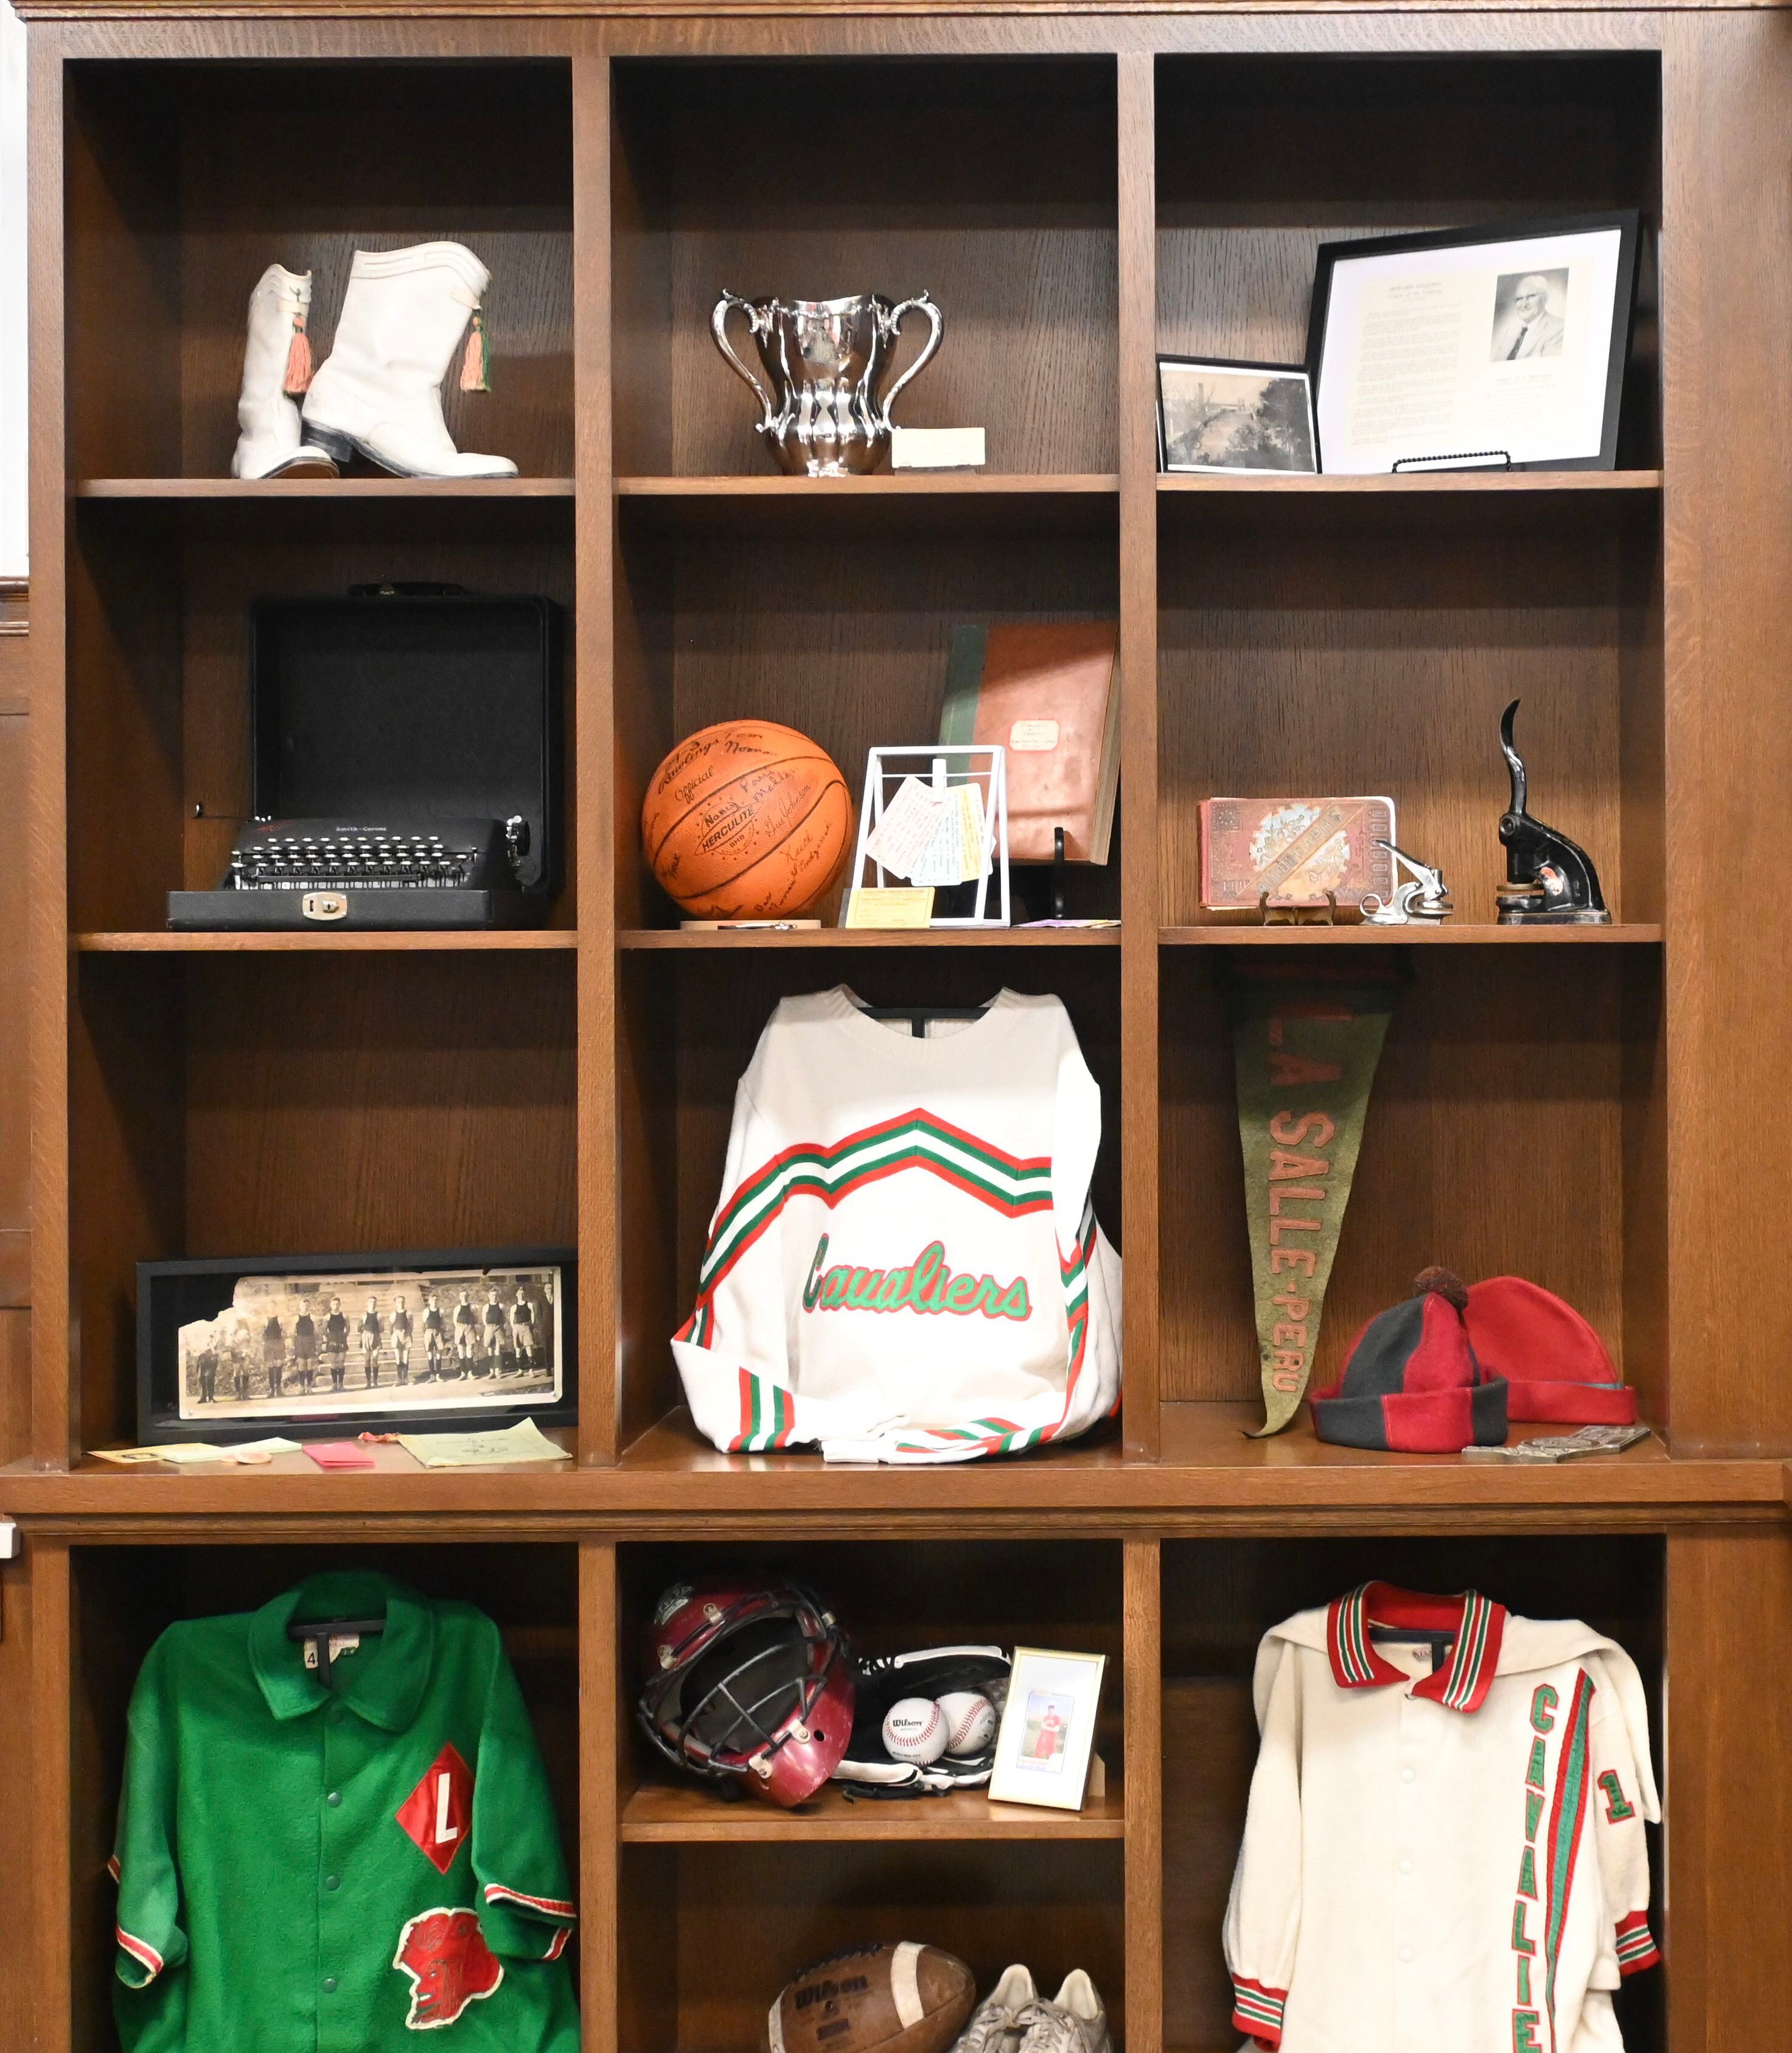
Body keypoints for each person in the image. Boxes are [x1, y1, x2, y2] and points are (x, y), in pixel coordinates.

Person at [1491, 273, 1565, 360]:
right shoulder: (1511, 331)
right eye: (1519, 299)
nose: (1524, 304)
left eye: (1531, 296)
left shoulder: (1559, 328)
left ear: (1545, 298)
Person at [323, 1296, 349, 1393]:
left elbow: (348, 1328)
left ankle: (341, 1384)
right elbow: (324, 1330)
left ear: (340, 1304)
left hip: (341, 1339)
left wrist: (344, 1337)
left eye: (337, 1304)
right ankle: (334, 1384)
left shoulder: (344, 1316)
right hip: (332, 1340)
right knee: (333, 1363)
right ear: (331, 1305)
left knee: (341, 1362)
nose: (336, 1306)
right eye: (334, 1304)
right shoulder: (327, 1317)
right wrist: (330, 1338)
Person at [510, 1286, 536, 1375]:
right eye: (519, 1294)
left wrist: (531, 1325)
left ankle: (531, 1370)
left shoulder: (529, 1305)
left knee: (529, 1348)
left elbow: (533, 1316)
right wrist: (515, 1329)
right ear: (517, 1295)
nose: (521, 1295)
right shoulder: (514, 1307)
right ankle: (520, 1370)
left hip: (526, 1327)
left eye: (522, 1294)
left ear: (524, 1294)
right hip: (517, 1328)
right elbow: (511, 1320)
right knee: (518, 1349)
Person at [483, 1286, 508, 1375]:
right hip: (489, 1328)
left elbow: (504, 1318)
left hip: (498, 1328)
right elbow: (484, 1320)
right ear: (489, 1296)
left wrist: (501, 1327)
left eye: (495, 1295)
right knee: (490, 1349)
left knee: (497, 1349)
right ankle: (491, 1371)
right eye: (492, 1295)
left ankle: (498, 1370)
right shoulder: (486, 1307)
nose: (494, 1297)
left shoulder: (501, 1306)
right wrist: (489, 1328)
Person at [359, 1295, 383, 1388]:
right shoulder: (363, 1315)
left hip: (376, 1337)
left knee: (375, 1359)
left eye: (374, 1302)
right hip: (366, 1338)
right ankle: (368, 1382)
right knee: (367, 1360)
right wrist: (366, 1335)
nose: (372, 1304)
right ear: (367, 1303)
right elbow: (359, 1328)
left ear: (376, 1303)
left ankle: (376, 1382)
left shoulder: (379, 1315)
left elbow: (382, 1328)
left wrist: (375, 1335)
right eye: (370, 1302)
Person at [292, 1306, 318, 1392]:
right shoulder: (296, 1318)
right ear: (300, 1307)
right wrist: (294, 1345)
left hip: (310, 1341)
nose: (305, 1307)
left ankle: (309, 1386)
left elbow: (316, 1331)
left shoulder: (312, 1317)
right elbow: (293, 1332)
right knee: (302, 1364)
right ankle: (302, 1386)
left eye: (307, 1306)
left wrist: (316, 1343)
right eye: (303, 1306)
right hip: (300, 1342)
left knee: (310, 1363)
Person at [422, 1291, 445, 1380]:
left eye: (436, 1300)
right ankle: (432, 1375)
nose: (434, 1302)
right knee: (430, 1355)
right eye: (432, 1300)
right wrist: (426, 1334)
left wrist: (441, 1333)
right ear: (429, 1301)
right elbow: (423, 1325)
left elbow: (443, 1323)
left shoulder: (441, 1311)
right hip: (429, 1333)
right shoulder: (426, 1311)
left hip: (438, 1333)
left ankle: (438, 1375)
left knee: (439, 1355)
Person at [453, 1288, 478, 1375]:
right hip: (460, 1329)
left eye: (465, 1295)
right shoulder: (457, 1308)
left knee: (469, 1350)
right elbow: (455, 1321)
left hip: (469, 1328)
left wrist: (470, 1328)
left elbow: (476, 1319)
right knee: (461, 1350)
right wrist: (460, 1329)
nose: (464, 1297)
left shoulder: (472, 1307)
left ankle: (470, 1372)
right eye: (462, 1296)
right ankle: (463, 1372)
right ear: (460, 1297)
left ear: (468, 1296)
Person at [262, 1312, 285, 1399]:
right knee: (270, 1366)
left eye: (273, 1307)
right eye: (270, 1307)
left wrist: (282, 1343)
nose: (272, 1308)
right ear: (268, 1309)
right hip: (269, 1343)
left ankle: (279, 1388)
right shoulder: (265, 1320)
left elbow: (284, 1332)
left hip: (278, 1343)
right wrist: (265, 1343)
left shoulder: (280, 1319)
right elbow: (262, 1334)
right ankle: (272, 1389)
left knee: (279, 1365)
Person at [391, 1293, 412, 1386]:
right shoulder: (393, 1314)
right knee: (398, 1358)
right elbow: (390, 1327)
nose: (401, 1304)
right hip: (397, 1335)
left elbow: (411, 1326)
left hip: (406, 1335)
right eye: (399, 1302)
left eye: (403, 1302)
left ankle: (406, 1378)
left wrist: (407, 1335)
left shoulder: (408, 1313)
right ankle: (399, 1379)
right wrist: (395, 1336)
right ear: (396, 1303)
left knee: (406, 1358)